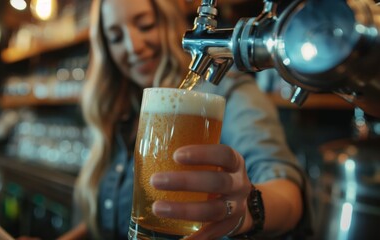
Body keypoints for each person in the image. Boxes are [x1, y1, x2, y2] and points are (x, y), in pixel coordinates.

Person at [59, 0, 312, 239]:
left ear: (171, 22)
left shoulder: (226, 91)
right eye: (115, 37)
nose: (133, 45)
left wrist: (247, 209)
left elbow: (287, 191)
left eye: (145, 25)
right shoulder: (124, 106)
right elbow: (110, 216)